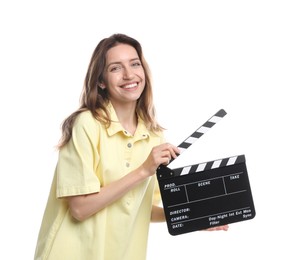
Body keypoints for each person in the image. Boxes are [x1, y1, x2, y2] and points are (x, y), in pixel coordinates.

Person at [34, 33, 228, 260]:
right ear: (101, 81)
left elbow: (141, 209)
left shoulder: (153, 135)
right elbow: (80, 209)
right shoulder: (87, 124)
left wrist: (193, 217)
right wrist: (143, 170)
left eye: (135, 64)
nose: (129, 75)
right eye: (115, 68)